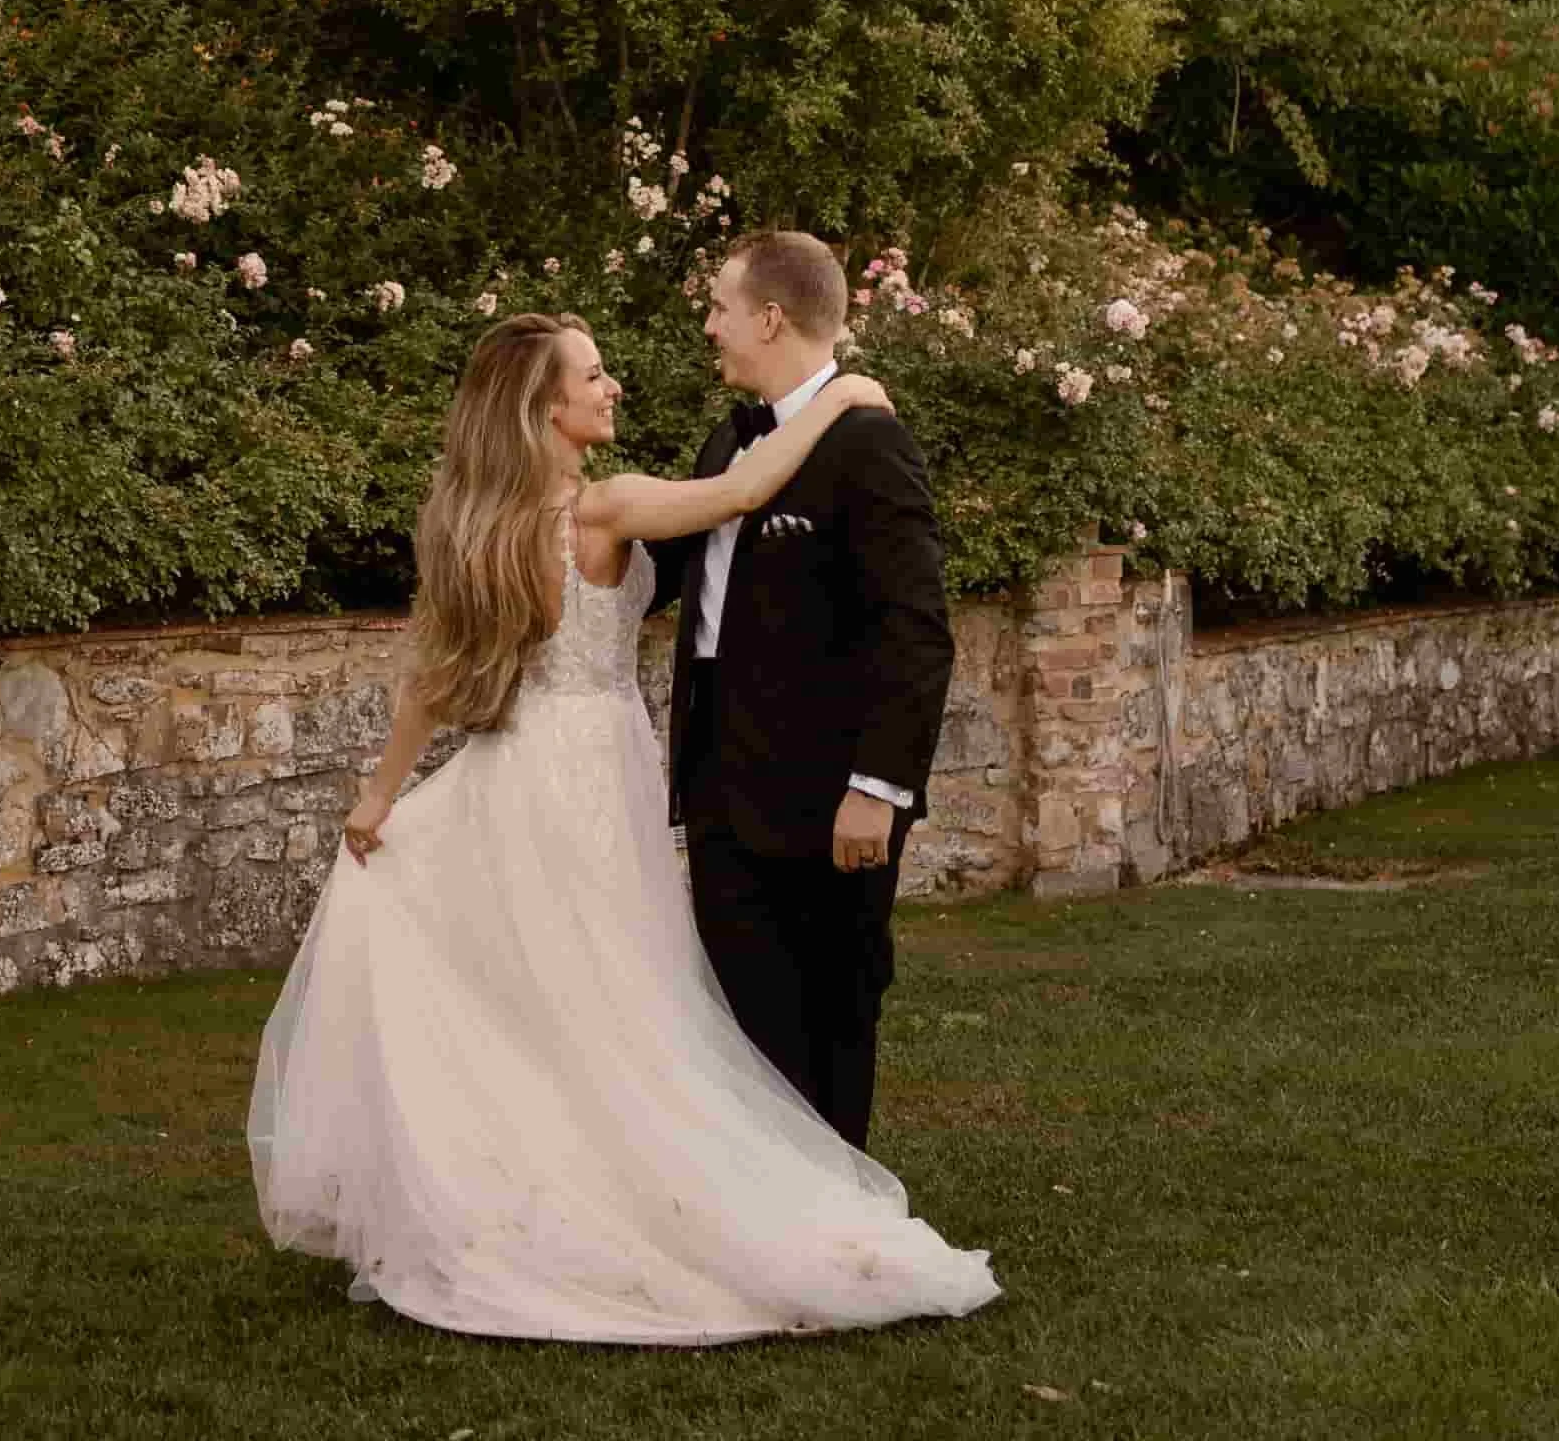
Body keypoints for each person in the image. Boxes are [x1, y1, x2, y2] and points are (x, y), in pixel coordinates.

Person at [246, 304, 998, 1345]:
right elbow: (742, 489)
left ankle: (517, 1192)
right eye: (592, 376)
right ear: (543, 405)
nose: (612, 388)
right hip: (594, 765)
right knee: (614, 990)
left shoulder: (477, 517)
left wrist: (380, 793)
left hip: (513, 766)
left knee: (538, 998)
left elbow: (433, 670)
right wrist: (846, 396)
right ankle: (624, 1203)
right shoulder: (606, 506)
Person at [651, 229, 957, 1149]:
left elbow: (915, 629)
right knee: (745, 1034)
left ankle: (839, 1241)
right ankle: (766, 1240)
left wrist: (878, 788)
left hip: (825, 801)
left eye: (719, 307)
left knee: (829, 1020)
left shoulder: (870, 443)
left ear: (770, 317)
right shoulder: (727, 441)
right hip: (718, 790)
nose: (709, 326)